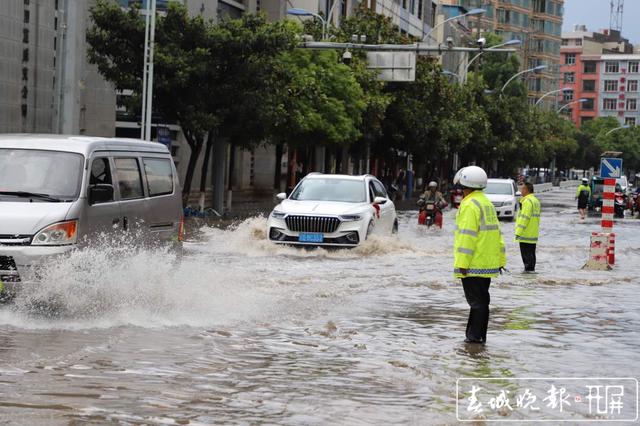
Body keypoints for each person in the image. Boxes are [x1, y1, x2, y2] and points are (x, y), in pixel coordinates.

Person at [453, 166, 506, 345]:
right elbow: (498, 235)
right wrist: (500, 260)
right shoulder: (486, 203)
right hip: (487, 264)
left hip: (473, 264)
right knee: (482, 302)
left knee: (476, 303)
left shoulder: (469, 205)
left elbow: (466, 237)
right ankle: (479, 337)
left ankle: (474, 339)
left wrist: (462, 263)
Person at [515, 182, 541, 272]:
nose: (521, 191)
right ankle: (531, 275)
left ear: (526, 190)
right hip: (533, 233)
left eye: (522, 189)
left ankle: (527, 276)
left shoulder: (527, 202)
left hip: (525, 234)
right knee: (531, 256)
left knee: (526, 258)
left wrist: (518, 232)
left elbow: (524, 218)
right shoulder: (535, 201)